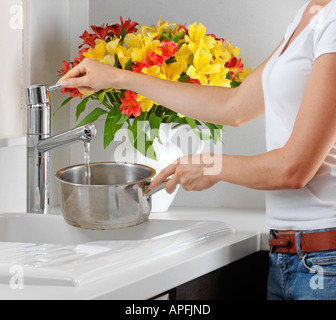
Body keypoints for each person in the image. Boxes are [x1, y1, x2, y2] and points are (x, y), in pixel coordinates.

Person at [59, 0, 336, 300]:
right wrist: (120, 77)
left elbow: (294, 168)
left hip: (323, 264)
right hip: (289, 260)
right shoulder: (311, 14)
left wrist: (211, 167)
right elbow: (235, 106)